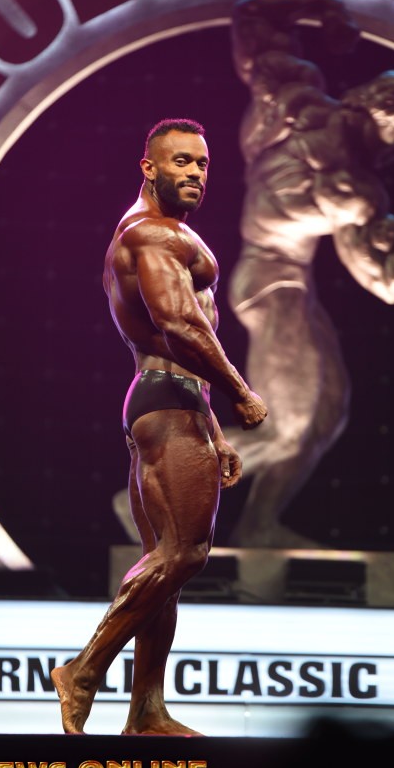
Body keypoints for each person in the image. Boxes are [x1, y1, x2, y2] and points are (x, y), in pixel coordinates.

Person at [226, 0, 394, 548]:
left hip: (289, 283)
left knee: (326, 413)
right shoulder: (352, 185)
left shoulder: (296, 97)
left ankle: (259, 526)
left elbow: (254, 17)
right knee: (286, 428)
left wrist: (323, 12)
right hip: (270, 282)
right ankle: (149, 492)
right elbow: (388, 283)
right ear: (386, 111)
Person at [51, 119, 267, 735]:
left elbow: (178, 340)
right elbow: (178, 324)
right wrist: (241, 392)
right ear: (148, 168)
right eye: (181, 162)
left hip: (174, 400)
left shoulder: (165, 233)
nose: (195, 173)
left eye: (202, 163)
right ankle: (83, 670)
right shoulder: (150, 233)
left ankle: (146, 711)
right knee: (184, 554)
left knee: (163, 566)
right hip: (167, 403)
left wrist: (216, 429)